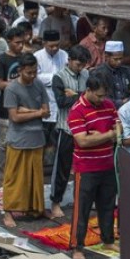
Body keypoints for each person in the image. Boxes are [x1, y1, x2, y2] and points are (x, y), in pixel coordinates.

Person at [67, 75, 119, 259]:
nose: (101, 99)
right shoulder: (77, 110)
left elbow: (118, 129)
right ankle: (77, 247)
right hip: (86, 167)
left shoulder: (109, 104)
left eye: (103, 95)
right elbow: (82, 141)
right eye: (98, 96)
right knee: (82, 209)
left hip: (107, 164)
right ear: (88, 90)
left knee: (107, 205)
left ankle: (107, 239)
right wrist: (109, 135)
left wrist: (103, 136)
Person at [2, 53, 50, 228]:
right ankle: (8, 211)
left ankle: (36, 208)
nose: (32, 76)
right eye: (29, 72)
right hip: (18, 139)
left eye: (35, 72)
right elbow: (14, 117)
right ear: (20, 70)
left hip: (37, 137)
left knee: (36, 177)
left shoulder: (38, 84)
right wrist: (35, 112)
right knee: (14, 177)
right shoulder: (12, 89)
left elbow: (47, 110)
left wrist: (26, 110)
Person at [49, 45, 90, 219]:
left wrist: (75, 94)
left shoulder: (86, 75)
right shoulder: (59, 77)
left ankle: (84, 200)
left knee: (86, 167)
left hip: (84, 128)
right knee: (62, 168)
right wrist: (81, 96)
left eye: (82, 65)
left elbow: (91, 96)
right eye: (77, 64)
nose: (80, 68)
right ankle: (55, 202)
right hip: (66, 128)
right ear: (69, 60)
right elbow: (61, 102)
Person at [0, 27, 24, 178]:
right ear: (9, 41)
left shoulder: (24, 58)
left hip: (23, 105)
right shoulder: (1, 60)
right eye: (17, 43)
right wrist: (17, 83)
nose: (21, 46)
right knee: (4, 142)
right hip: (6, 105)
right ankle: (1, 173)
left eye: (22, 42)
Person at [35, 29, 69, 150]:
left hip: (61, 105)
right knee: (42, 143)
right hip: (44, 104)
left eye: (57, 45)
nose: (55, 48)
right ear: (44, 43)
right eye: (51, 46)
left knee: (57, 145)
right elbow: (35, 78)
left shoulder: (64, 55)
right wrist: (56, 78)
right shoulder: (37, 57)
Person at [92, 40, 130, 109]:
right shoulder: (99, 73)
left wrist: (128, 101)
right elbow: (99, 96)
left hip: (128, 108)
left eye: (121, 58)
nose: (119, 62)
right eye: (116, 59)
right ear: (107, 56)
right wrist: (121, 102)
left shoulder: (126, 71)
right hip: (107, 109)